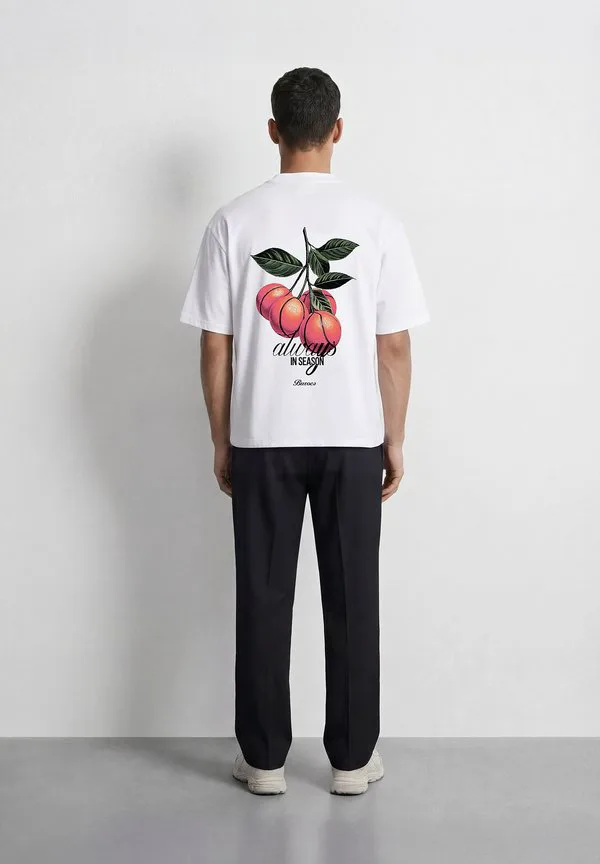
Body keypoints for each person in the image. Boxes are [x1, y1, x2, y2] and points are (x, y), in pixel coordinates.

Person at [180, 67, 429, 795]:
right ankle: (351, 760)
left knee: (262, 594)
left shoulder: (232, 222)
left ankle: (263, 761)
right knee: (353, 596)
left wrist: (222, 438)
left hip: (263, 434)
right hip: (352, 436)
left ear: (273, 131)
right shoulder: (377, 221)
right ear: (338, 130)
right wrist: (394, 438)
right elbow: (393, 345)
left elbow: (216, 344)